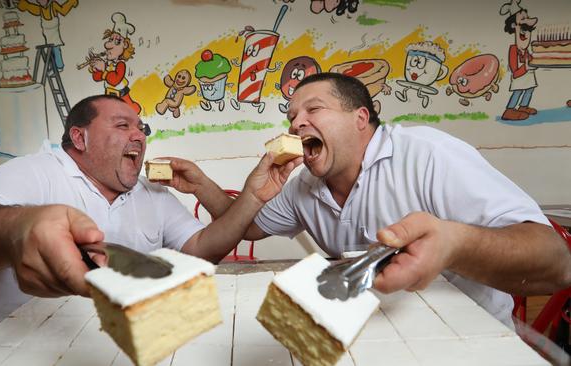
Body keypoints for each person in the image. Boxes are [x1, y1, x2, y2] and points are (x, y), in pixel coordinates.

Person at [170, 72, 571, 327]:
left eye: (313, 109)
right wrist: (205, 185)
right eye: (291, 117)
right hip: (376, 330)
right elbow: (248, 225)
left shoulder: (427, 154)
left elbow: (555, 262)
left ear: (361, 119)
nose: (296, 124)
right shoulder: (302, 185)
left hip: (467, 334)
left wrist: (453, 244)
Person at [0, 94, 301, 357]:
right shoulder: (35, 172)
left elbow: (203, 248)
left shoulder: (150, 193)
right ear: (80, 137)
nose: (139, 136)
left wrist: (253, 194)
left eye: (141, 128)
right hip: (4, 352)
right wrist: (20, 227)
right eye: (123, 125)